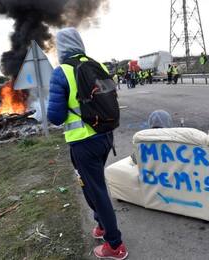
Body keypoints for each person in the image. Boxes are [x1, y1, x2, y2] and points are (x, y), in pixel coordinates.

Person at [47, 27, 128, 259]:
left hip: (83, 142)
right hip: (105, 136)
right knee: (91, 185)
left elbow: (56, 117)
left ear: (61, 47)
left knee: (96, 189)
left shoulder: (61, 72)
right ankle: (102, 225)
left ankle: (115, 245)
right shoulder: (98, 65)